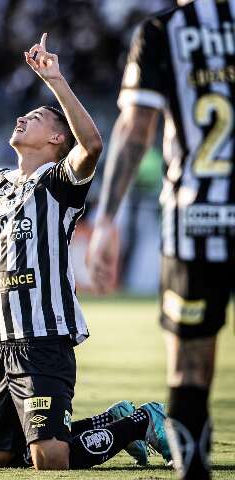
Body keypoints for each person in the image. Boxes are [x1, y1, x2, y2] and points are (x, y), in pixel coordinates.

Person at [0, 33, 170, 470]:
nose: (23, 118)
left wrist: (56, 82)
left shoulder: (60, 183)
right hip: (1, 341)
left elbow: (93, 146)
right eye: (26, 113)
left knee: (50, 459)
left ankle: (137, 423)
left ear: (55, 140)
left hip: (45, 338)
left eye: (37, 117)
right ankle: (110, 421)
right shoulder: (4, 184)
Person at [87, 1, 235, 479]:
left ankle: (193, 470)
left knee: (188, 368)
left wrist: (106, 218)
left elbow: (135, 130)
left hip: (195, 222)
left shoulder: (163, 31)